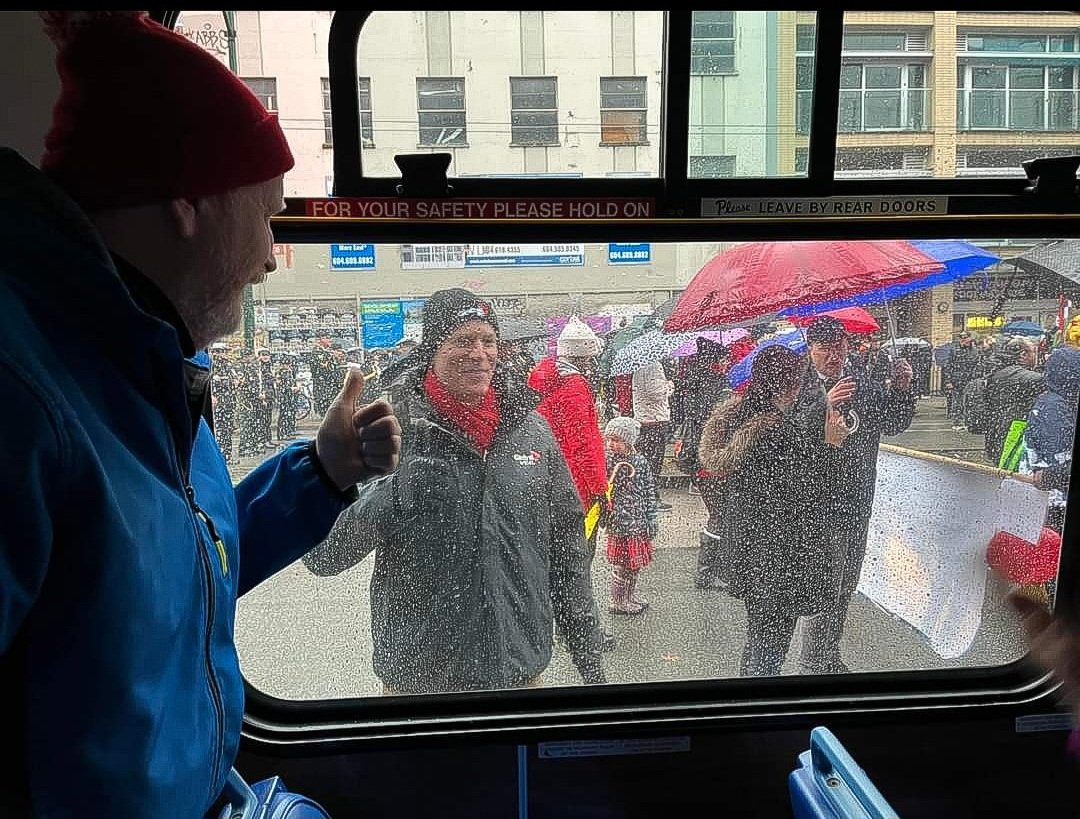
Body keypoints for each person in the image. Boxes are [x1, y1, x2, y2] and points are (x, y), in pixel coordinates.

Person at [0, 12, 401, 817]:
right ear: (186, 202)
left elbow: (185, 566)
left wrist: (318, 474)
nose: (268, 254)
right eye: (264, 215)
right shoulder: (24, 396)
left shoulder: (149, 367)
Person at [305, 289, 606, 694]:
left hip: (519, 672)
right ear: (433, 348)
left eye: (488, 341)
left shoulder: (531, 430)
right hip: (419, 682)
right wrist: (394, 495)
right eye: (463, 341)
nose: (479, 353)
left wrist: (587, 651)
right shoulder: (386, 428)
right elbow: (323, 554)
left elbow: (567, 549)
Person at [697, 345, 833, 676]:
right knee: (771, 647)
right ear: (788, 384)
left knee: (758, 637)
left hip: (750, 548)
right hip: (779, 554)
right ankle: (757, 710)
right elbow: (806, 493)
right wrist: (831, 444)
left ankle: (748, 698)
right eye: (799, 380)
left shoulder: (744, 418)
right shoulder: (776, 431)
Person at [794, 316, 916, 675]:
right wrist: (824, 404)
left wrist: (901, 389)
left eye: (839, 345)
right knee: (824, 585)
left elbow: (892, 424)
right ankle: (812, 664)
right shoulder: (800, 387)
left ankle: (829, 657)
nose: (834, 354)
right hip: (817, 503)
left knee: (847, 583)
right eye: (825, 347)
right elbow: (790, 440)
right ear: (810, 350)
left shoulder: (862, 382)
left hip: (858, 498)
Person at [529, 316, 616, 651]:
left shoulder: (541, 379)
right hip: (579, 492)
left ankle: (557, 625)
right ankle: (582, 633)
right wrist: (600, 491)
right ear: (583, 356)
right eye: (591, 357)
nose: (593, 363)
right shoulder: (576, 386)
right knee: (578, 563)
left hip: (548, 486)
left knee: (557, 561)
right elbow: (586, 445)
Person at [602, 416, 657, 616]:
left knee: (634, 565)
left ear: (629, 441)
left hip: (638, 523)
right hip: (619, 523)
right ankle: (617, 600)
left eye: (616, 440)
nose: (611, 444)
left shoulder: (640, 462)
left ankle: (629, 595)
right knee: (622, 564)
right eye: (609, 439)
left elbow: (649, 490)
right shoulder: (607, 461)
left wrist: (651, 517)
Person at [1025, 345, 1080, 533]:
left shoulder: (1056, 402)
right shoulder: (1055, 408)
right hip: (1056, 501)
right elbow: (1059, 455)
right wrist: (1051, 476)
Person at [980, 336, 1044, 467]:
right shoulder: (1016, 375)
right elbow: (1045, 381)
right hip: (1011, 432)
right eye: (1034, 352)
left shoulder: (1001, 369)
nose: (1036, 356)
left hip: (998, 430)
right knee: (1010, 471)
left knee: (1003, 469)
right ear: (1023, 354)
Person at [632, 358, 674, 510]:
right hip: (654, 419)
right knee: (653, 463)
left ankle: (644, 496)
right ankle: (652, 498)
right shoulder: (653, 365)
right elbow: (655, 392)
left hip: (644, 417)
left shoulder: (639, 364)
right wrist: (669, 386)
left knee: (646, 461)